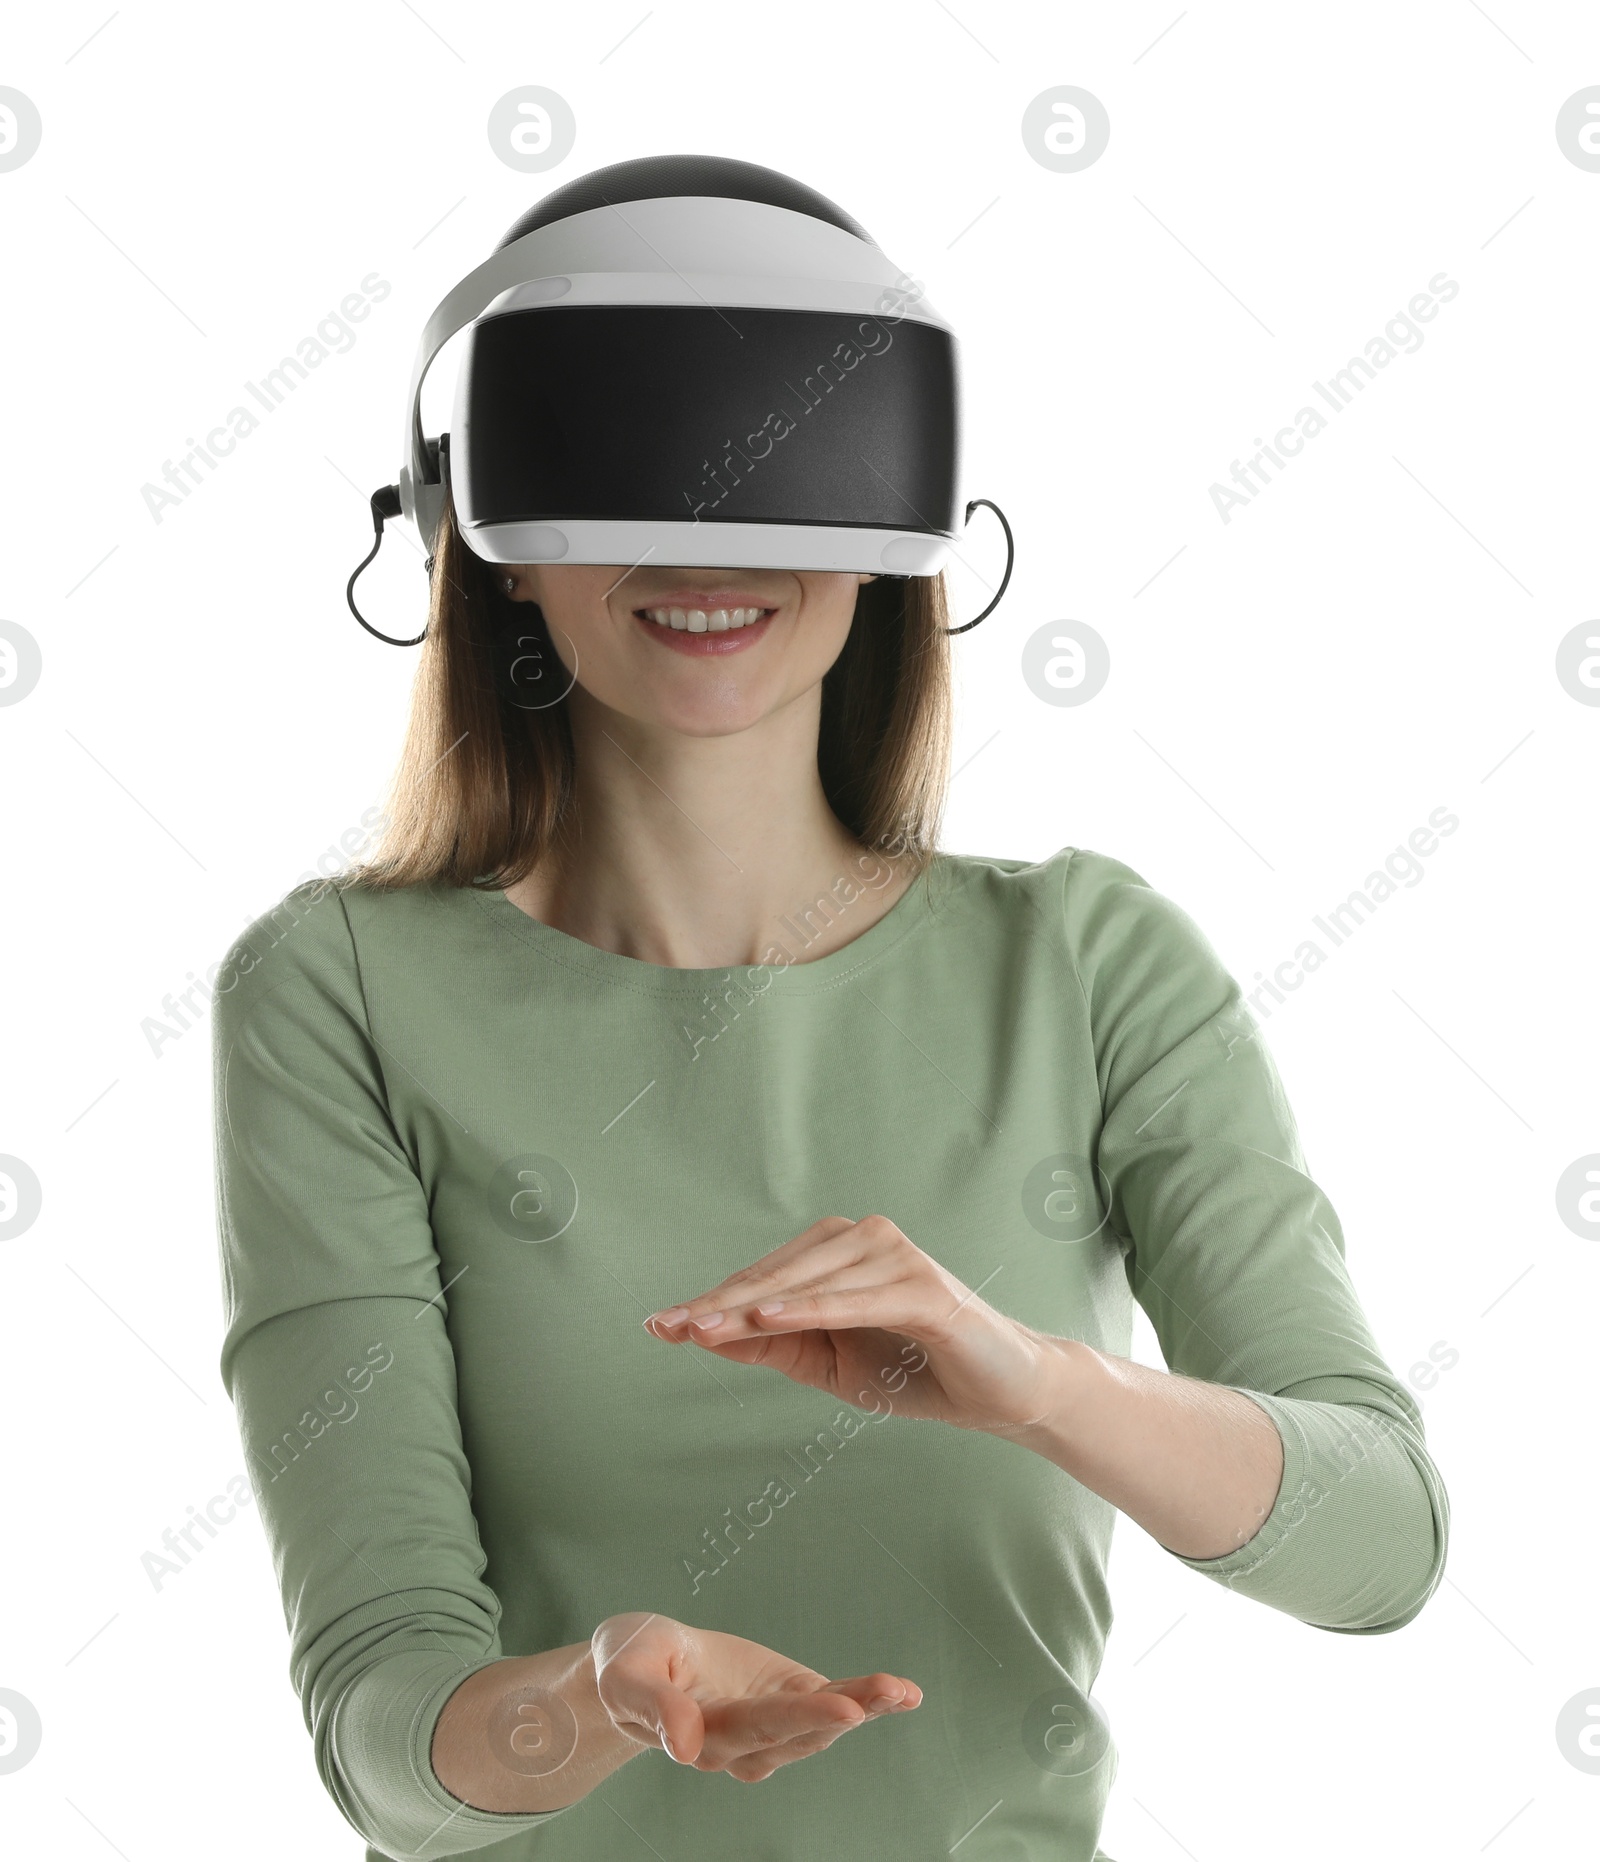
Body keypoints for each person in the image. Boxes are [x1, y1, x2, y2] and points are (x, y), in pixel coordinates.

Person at [212, 175, 1448, 1862]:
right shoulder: (336, 996)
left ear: (900, 525)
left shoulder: (1093, 964)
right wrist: (600, 1689)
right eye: (628, 454)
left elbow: (1380, 1544)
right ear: (477, 529)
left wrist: (1041, 1383)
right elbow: (380, 1724)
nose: (712, 540)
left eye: (787, 456)